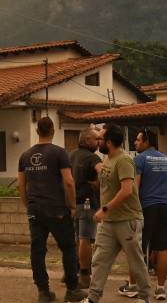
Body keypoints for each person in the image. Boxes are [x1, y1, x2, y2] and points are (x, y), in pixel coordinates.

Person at [17, 116, 87, 303]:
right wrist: (73, 205)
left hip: (35, 209)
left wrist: (28, 204)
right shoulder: (59, 153)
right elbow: (69, 182)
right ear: (53, 131)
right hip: (56, 208)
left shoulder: (25, 155)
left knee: (37, 250)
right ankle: (72, 289)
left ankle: (43, 291)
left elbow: (21, 184)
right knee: (68, 247)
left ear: (37, 131)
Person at [82, 124, 151, 303]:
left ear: (109, 142)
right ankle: (92, 298)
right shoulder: (107, 159)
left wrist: (104, 209)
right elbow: (107, 185)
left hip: (127, 220)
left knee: (135, 261)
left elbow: (127, 190)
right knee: (99, 260)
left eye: (100, 139)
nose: (98, 142)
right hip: (109, 222)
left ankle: (144, 297)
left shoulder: (124, 160)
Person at [118, 129, 167, 301]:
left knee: (137, 248)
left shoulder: (139, 159)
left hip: (145, 208)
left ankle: (133, 285)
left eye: (138, 140)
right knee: (162, 249)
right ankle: (160, 289)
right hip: (164, 207)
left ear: (147, 141)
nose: (135, 143)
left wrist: (131, 210)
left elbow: (135, 187)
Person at [70, 126, 102, 289]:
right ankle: (84, 274)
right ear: (87, 140)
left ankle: (73, 271)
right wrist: (97, 183)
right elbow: (103, 173)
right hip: (87, 203)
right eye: (96, 139)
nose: (99, 142)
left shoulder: (71, 155)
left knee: (76, 238)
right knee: (86, 239)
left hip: (72, 203)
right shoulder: (93, 158)